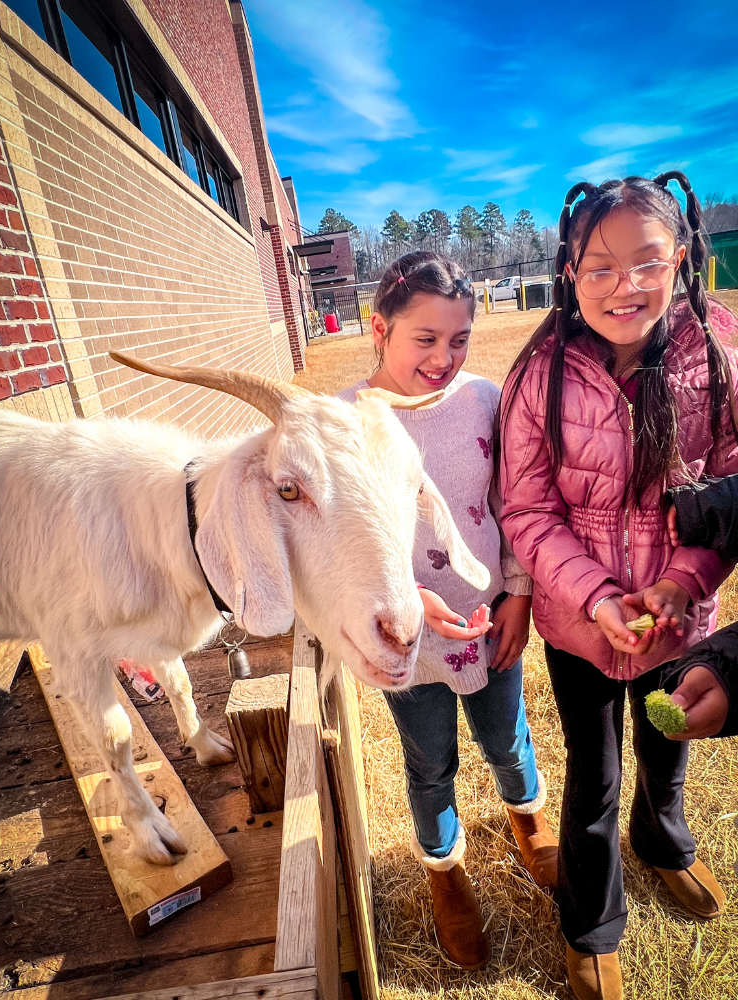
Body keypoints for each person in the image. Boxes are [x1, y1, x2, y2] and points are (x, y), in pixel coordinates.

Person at [495, 172, 737, 1000]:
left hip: (683, 621)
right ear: (568, 270)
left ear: (682, 258)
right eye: (598, 266)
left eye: (645, 263)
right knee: (592, 775)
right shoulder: (540, 375)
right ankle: (592, 921)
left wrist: (679, 583)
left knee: (668, 741)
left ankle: (664, 839)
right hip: (580, 629)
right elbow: (525, 507)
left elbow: (734, 487)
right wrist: (599, 600)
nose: (622, 285)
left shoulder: (720, 353)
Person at [335, 250, 551, 970]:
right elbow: (337, 543)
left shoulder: (485, 399)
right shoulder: (340, 423)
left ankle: (531, 824)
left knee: (508, 738)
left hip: (491, 621)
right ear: (378, 328)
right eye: (424, 339)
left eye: (458, 339)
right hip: (411, 638)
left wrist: (518, 591)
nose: (444, 357)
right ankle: (445, 872)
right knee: (431, 763)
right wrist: (404, 596)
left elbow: (511, 503)